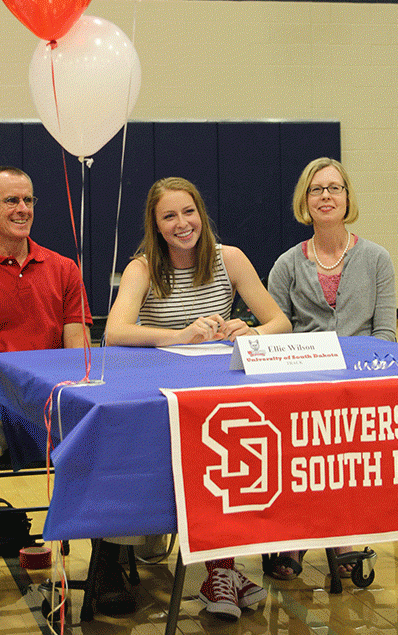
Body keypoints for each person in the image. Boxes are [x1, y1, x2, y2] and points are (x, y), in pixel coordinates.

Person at [0, 166, 130, 630]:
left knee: (117, 431)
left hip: (54, 401)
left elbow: (77, 347)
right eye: (11, 201)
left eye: (29, 201)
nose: (23, 209)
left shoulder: (63, 269)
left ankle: (109, 559)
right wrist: (10, 397)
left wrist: (58, 398)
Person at [105, 176, 291, 619]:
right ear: (156, 224)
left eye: (188, 212)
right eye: (169, 216)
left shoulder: (231, 259)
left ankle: (222, 567)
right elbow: (114, 332)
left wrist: (250, 331)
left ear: (201, 215)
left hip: (219, 391)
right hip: (162, 395)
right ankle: (220, 569)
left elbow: (280, 322)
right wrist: (180, 335)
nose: (182, 223)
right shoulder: (144, 267)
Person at [265, 157, 396, 580]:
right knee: (300, 439)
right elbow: (274, 334)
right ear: (305, 201)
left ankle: (343, 536)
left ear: (347, 197)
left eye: (334, 188)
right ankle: (297, 537)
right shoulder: (287, 264)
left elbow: (387, 334)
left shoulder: (377, 259)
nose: (326, 196)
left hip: (360, 383)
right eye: (316, 189)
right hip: (303, 384)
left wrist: (356, 372)